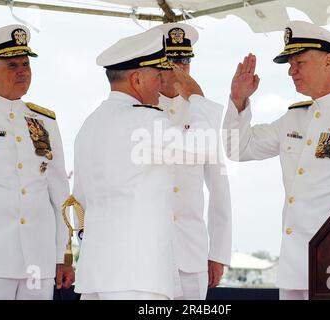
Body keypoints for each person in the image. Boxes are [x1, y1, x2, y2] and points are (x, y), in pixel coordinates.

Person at [223, 20, 330, 300]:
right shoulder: (294, 117)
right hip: (295, 269)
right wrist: (238, 101)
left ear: (329, 61)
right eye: (290, 64)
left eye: (299, 62)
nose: (292, 71)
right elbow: (237, 149)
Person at [71, 28, 223, 300]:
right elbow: (203, 145)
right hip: (137, 278)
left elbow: (80, 200)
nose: (163, 83)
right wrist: (198, 98)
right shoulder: (143, 121)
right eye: (158, 75)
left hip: (96, 275)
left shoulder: (90, 124)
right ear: (137, 78)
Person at [0, 24, 74, 300]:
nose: (22, 71)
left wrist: (63, 256)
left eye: (26, 64)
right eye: (12, 65)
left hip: (38, 261)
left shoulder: (45, 122)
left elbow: (60, 195)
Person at [154, 23, 232, 300]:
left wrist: (218, 253)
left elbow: (219, 189)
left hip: (193, 253)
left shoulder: (202, 117)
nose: (181, 67)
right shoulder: (143, 113)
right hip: (151, 252)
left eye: (185, 60)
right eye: (172, 60)